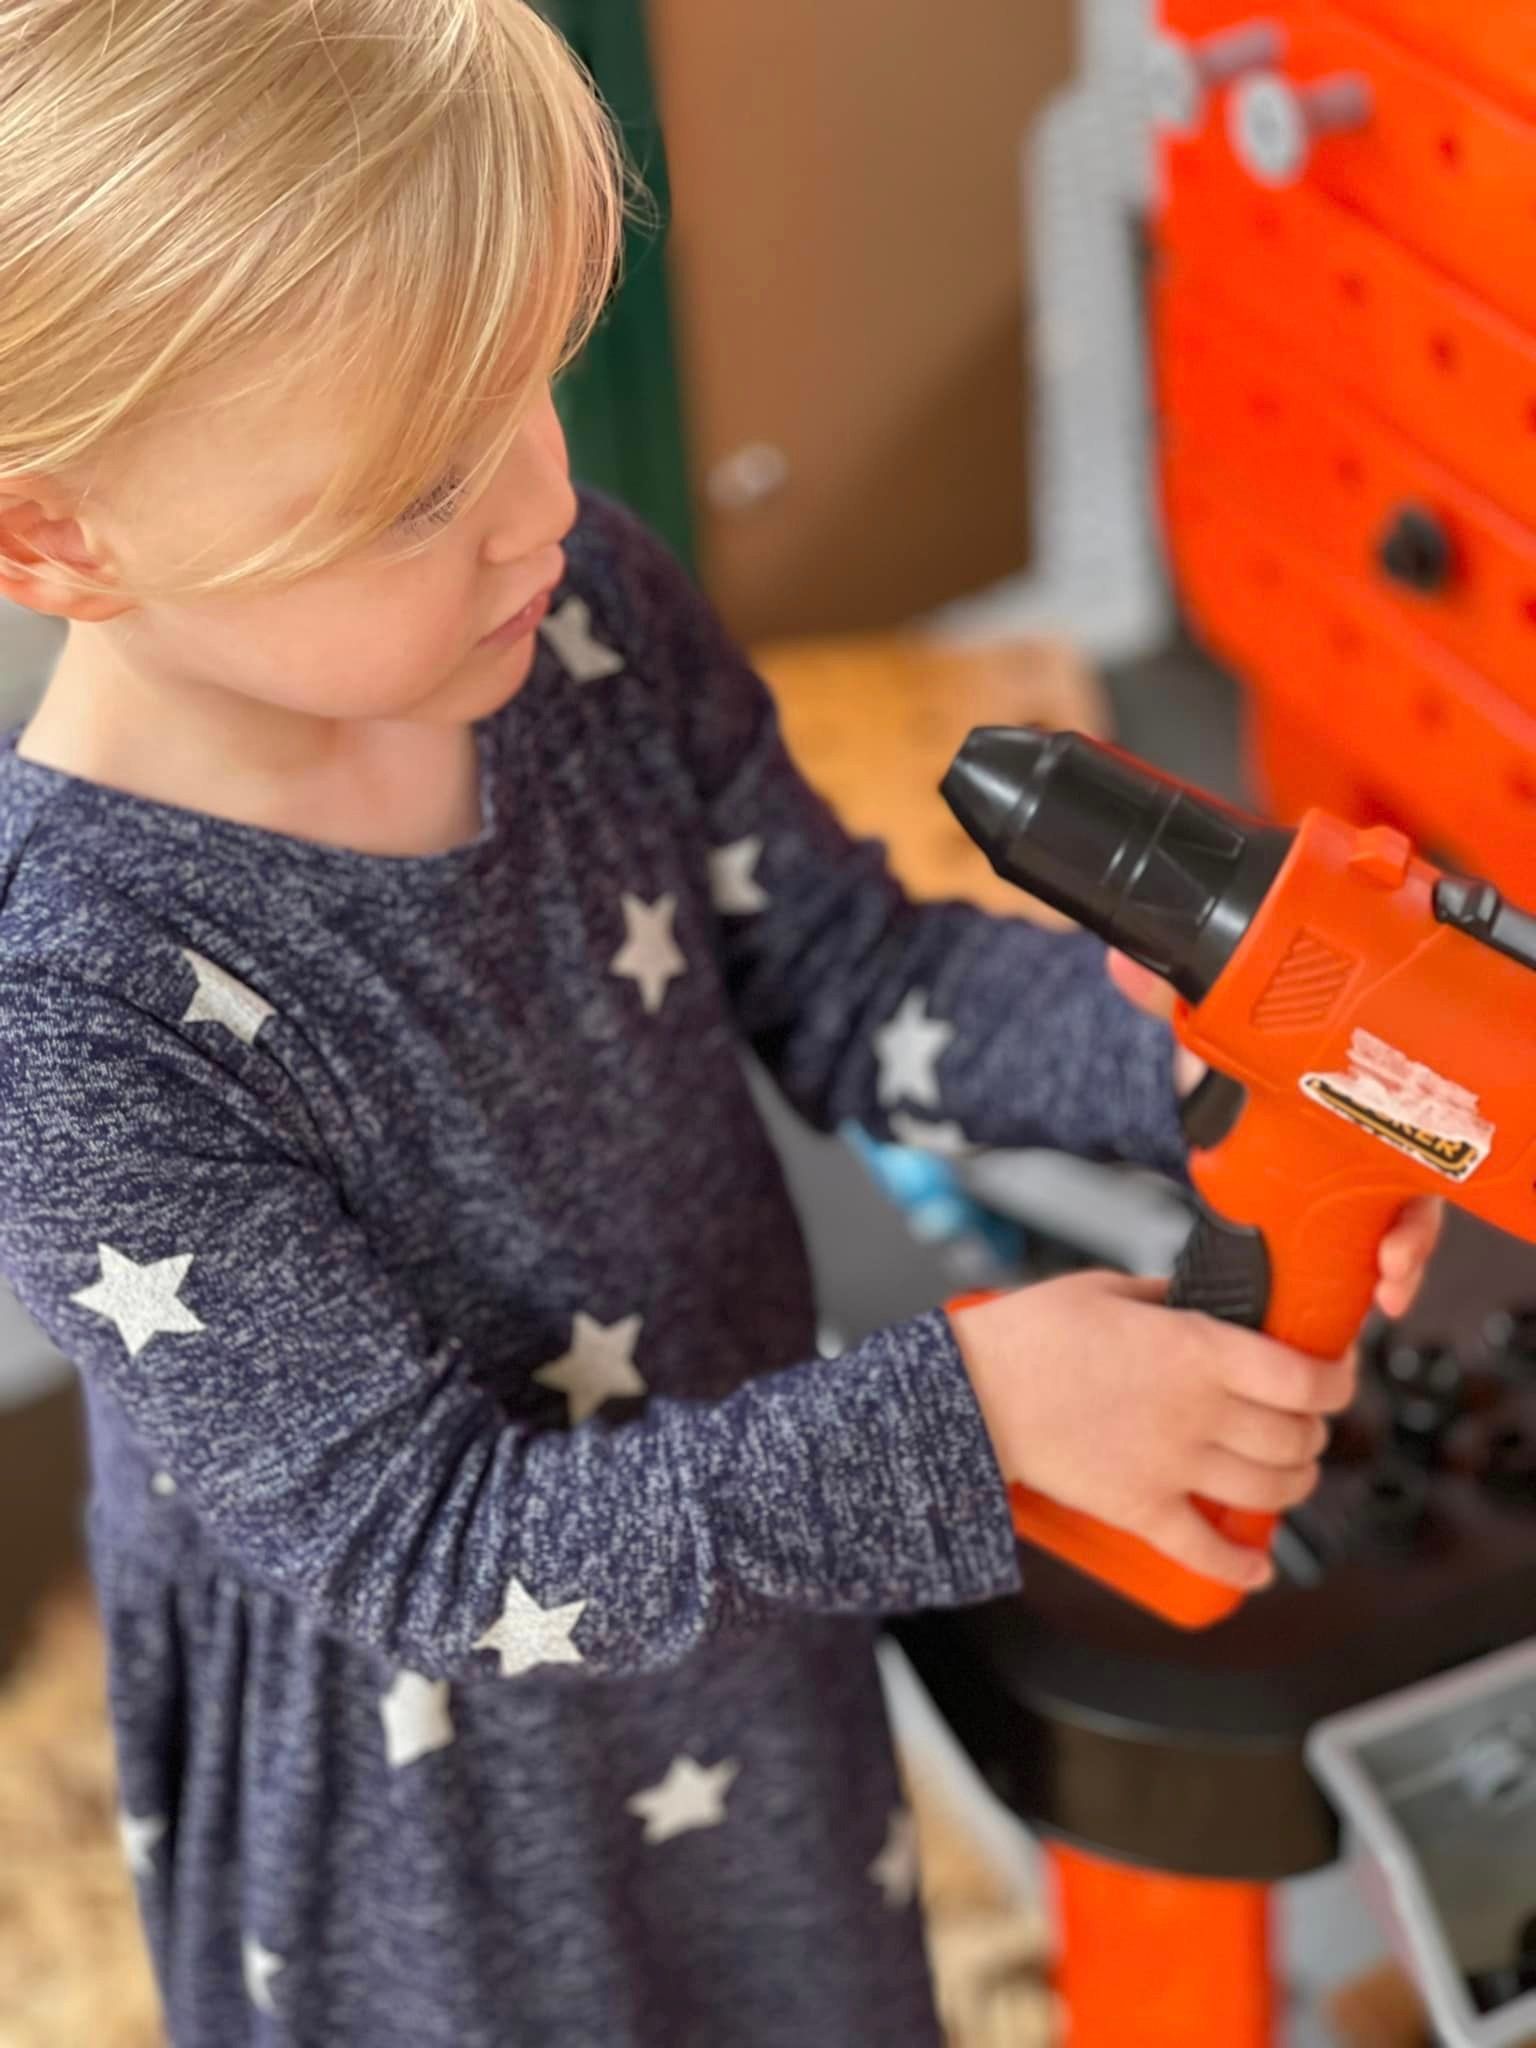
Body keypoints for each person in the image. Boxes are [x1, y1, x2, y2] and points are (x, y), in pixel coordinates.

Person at [0, 4, 1439, 2042]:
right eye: (417, 487)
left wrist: (1218, 1074)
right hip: (438, 1827)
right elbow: (430, 1547)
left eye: (536, 387)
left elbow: (858, 979)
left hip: (741, 1636)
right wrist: (975, 1417)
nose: (535, 503)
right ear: (55, 536)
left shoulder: (577, 612)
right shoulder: (68, 1013)